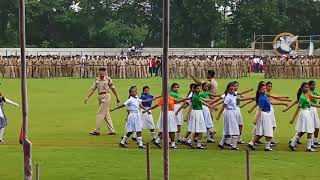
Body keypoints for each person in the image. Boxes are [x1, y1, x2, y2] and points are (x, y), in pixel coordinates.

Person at [85, 67, 120, 136]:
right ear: (98, 72)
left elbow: (113, 88)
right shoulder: (96, 80)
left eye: (103, 71)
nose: (102, 73)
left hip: (106, 96)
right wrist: (87, 97)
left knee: (100, 113)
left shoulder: (108, 79)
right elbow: (93, 89)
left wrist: (117, 97)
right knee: (106, 114)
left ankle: (97, 130)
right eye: (100, 71)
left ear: (105, 72)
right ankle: (111, 130)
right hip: (100, 96)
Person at [286, 82, 320, 152]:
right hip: (305, 113)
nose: (307, 89)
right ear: (302, 88)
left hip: (307, 112)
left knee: (303, 131)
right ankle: (308, 147)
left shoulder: (306, 95)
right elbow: (298, 108)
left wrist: (318, 106)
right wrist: (293, 118)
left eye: (307, 87)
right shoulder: (302, 97)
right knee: (309, 130)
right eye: (305, 87)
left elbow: (310, 104)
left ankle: (292, 144)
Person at [247, 83, 274, 151]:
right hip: (264, 115)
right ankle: (267, 147)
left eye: (265, 89)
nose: (264, 90)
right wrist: (255, 119)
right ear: (259, 90)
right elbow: (259, 109)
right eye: (262, 89)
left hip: (267, 114)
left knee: (261, 132)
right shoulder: (261, 98)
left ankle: (251, 143)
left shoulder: (265, 96)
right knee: (268, 130)